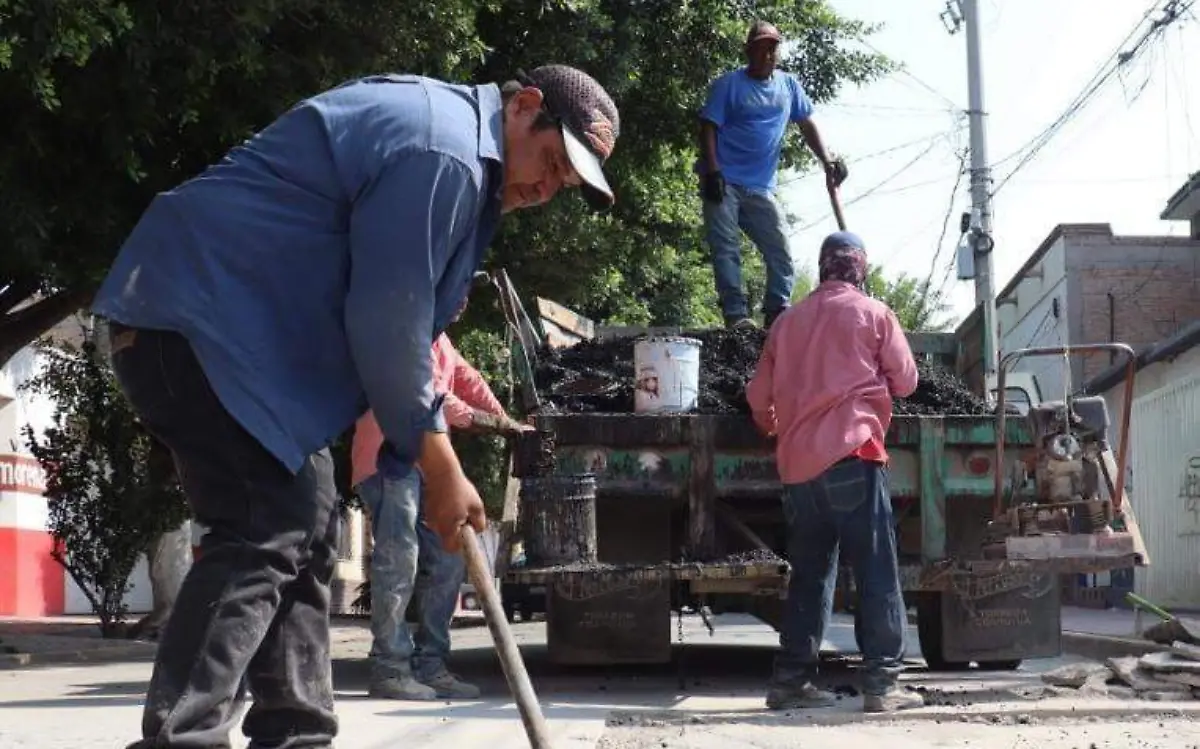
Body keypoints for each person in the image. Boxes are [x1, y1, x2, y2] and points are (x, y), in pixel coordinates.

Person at [90, 65, 620, 748]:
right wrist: (441, 466)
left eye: (563, 185)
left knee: (304, 522)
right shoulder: (445, 153)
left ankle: (298, 732)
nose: (545, 188)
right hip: (194, 323)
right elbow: (387, 322)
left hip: (234, 348)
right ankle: (183, 737)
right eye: (550, 162)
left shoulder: (460, 161)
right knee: (265, 523)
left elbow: (404, 329)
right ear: (524, 107)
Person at [745, 231, 924, 714]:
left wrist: (778, 425)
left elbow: (757, 399)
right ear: (859, 270)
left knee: (810, 576)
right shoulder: (874, 314)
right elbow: (907, 383)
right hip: (854, 457)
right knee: (876, 573)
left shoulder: (786, 323)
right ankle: (883, 686)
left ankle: (790, 681)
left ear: (822, 269)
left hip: (799, 470)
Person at [350, 300, 533, 701]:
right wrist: (483, 420)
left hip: (427, 467)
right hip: (388, 460)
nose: (463, 302)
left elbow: (469, 380)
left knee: (449, 560)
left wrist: (506, 420)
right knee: (400, 559)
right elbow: (431, 395)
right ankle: (390, 668)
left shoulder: (440, 340)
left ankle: (430, 665)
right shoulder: (406, 333)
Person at [697, 20, 848, 331]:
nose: (768, 53)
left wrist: (828, 159)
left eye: (773, 47)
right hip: (724, 181)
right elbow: (708, 127)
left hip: (761, 188)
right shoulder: (728, 85)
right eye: (762, 47)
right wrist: (712, 172)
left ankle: (777, 313)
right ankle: (736, 314)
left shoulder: (788, 86)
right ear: (749, 50)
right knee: (726, 247)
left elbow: (807, 124)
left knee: (780, 251)